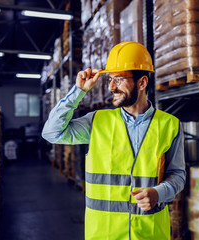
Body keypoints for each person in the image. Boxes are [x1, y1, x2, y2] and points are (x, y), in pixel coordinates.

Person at [42, 41, 186, 240]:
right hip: (104, 234)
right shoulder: (97, 122)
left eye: (118, 79)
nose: (111, 86)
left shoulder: (170, 125)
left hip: (149, 233)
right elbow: (51, 133)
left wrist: (158, 193)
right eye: (110, 79)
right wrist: (79, 91)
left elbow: (177, 175)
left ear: (142, 83)